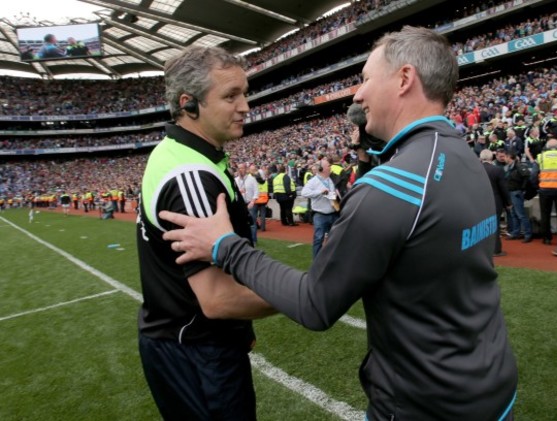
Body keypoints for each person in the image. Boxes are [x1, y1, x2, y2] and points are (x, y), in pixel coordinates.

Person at [160, 26, 518, 420]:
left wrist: (224, 245)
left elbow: (315, 304)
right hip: (493, 387)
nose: (359, 94)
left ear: (404, 79)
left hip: (426, 404)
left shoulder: (388, 188)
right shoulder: (470, 160)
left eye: (364, 79)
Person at [136, 45, 274, 420]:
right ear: (189, 103)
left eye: (245, 93)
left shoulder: (183, 155)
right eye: (231, 96)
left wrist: (240, 329)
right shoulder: (190, 176)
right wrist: (307, 293)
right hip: (196, 350)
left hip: (188, 342)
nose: (245, 106)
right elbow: (217, 299)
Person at [300, 159, 339, 257]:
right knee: (318, 238)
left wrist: (334, 196)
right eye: (329, 166)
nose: (330, 167)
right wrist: (320, 192)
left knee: (334, 239)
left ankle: (331, 259)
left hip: (333, 214)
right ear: (322, 169)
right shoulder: (313, 181)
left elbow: (331, 196)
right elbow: (304, 193)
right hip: (320, 215)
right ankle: (316, 262)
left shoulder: (330, 180)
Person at [536, 138, 557, 245]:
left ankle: (546, 238)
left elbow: (533, 175)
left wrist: (537, 186)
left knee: (545, 214)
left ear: (547, 147)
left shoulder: (541, 157)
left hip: (545, 189)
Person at [480, 149, 511, 257]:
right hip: (494, 201)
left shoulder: (475, 170)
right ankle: (496, 250)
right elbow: (503, 188)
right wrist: (508, 202)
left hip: (480, 201)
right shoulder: (497, 170)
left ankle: (483, 249)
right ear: (491, 158)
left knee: (482, 225)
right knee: (495, 225)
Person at [504, 151, 533, 243]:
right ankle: (515, 233)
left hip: (516, 192)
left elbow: (527, 176)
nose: (504, 158)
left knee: (520, 214)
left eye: (505, 157)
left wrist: (522, 188)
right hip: (511, 192)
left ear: (509, 157)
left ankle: (528, 234)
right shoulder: (509, 167)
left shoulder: (519, 166)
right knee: (513, 214)